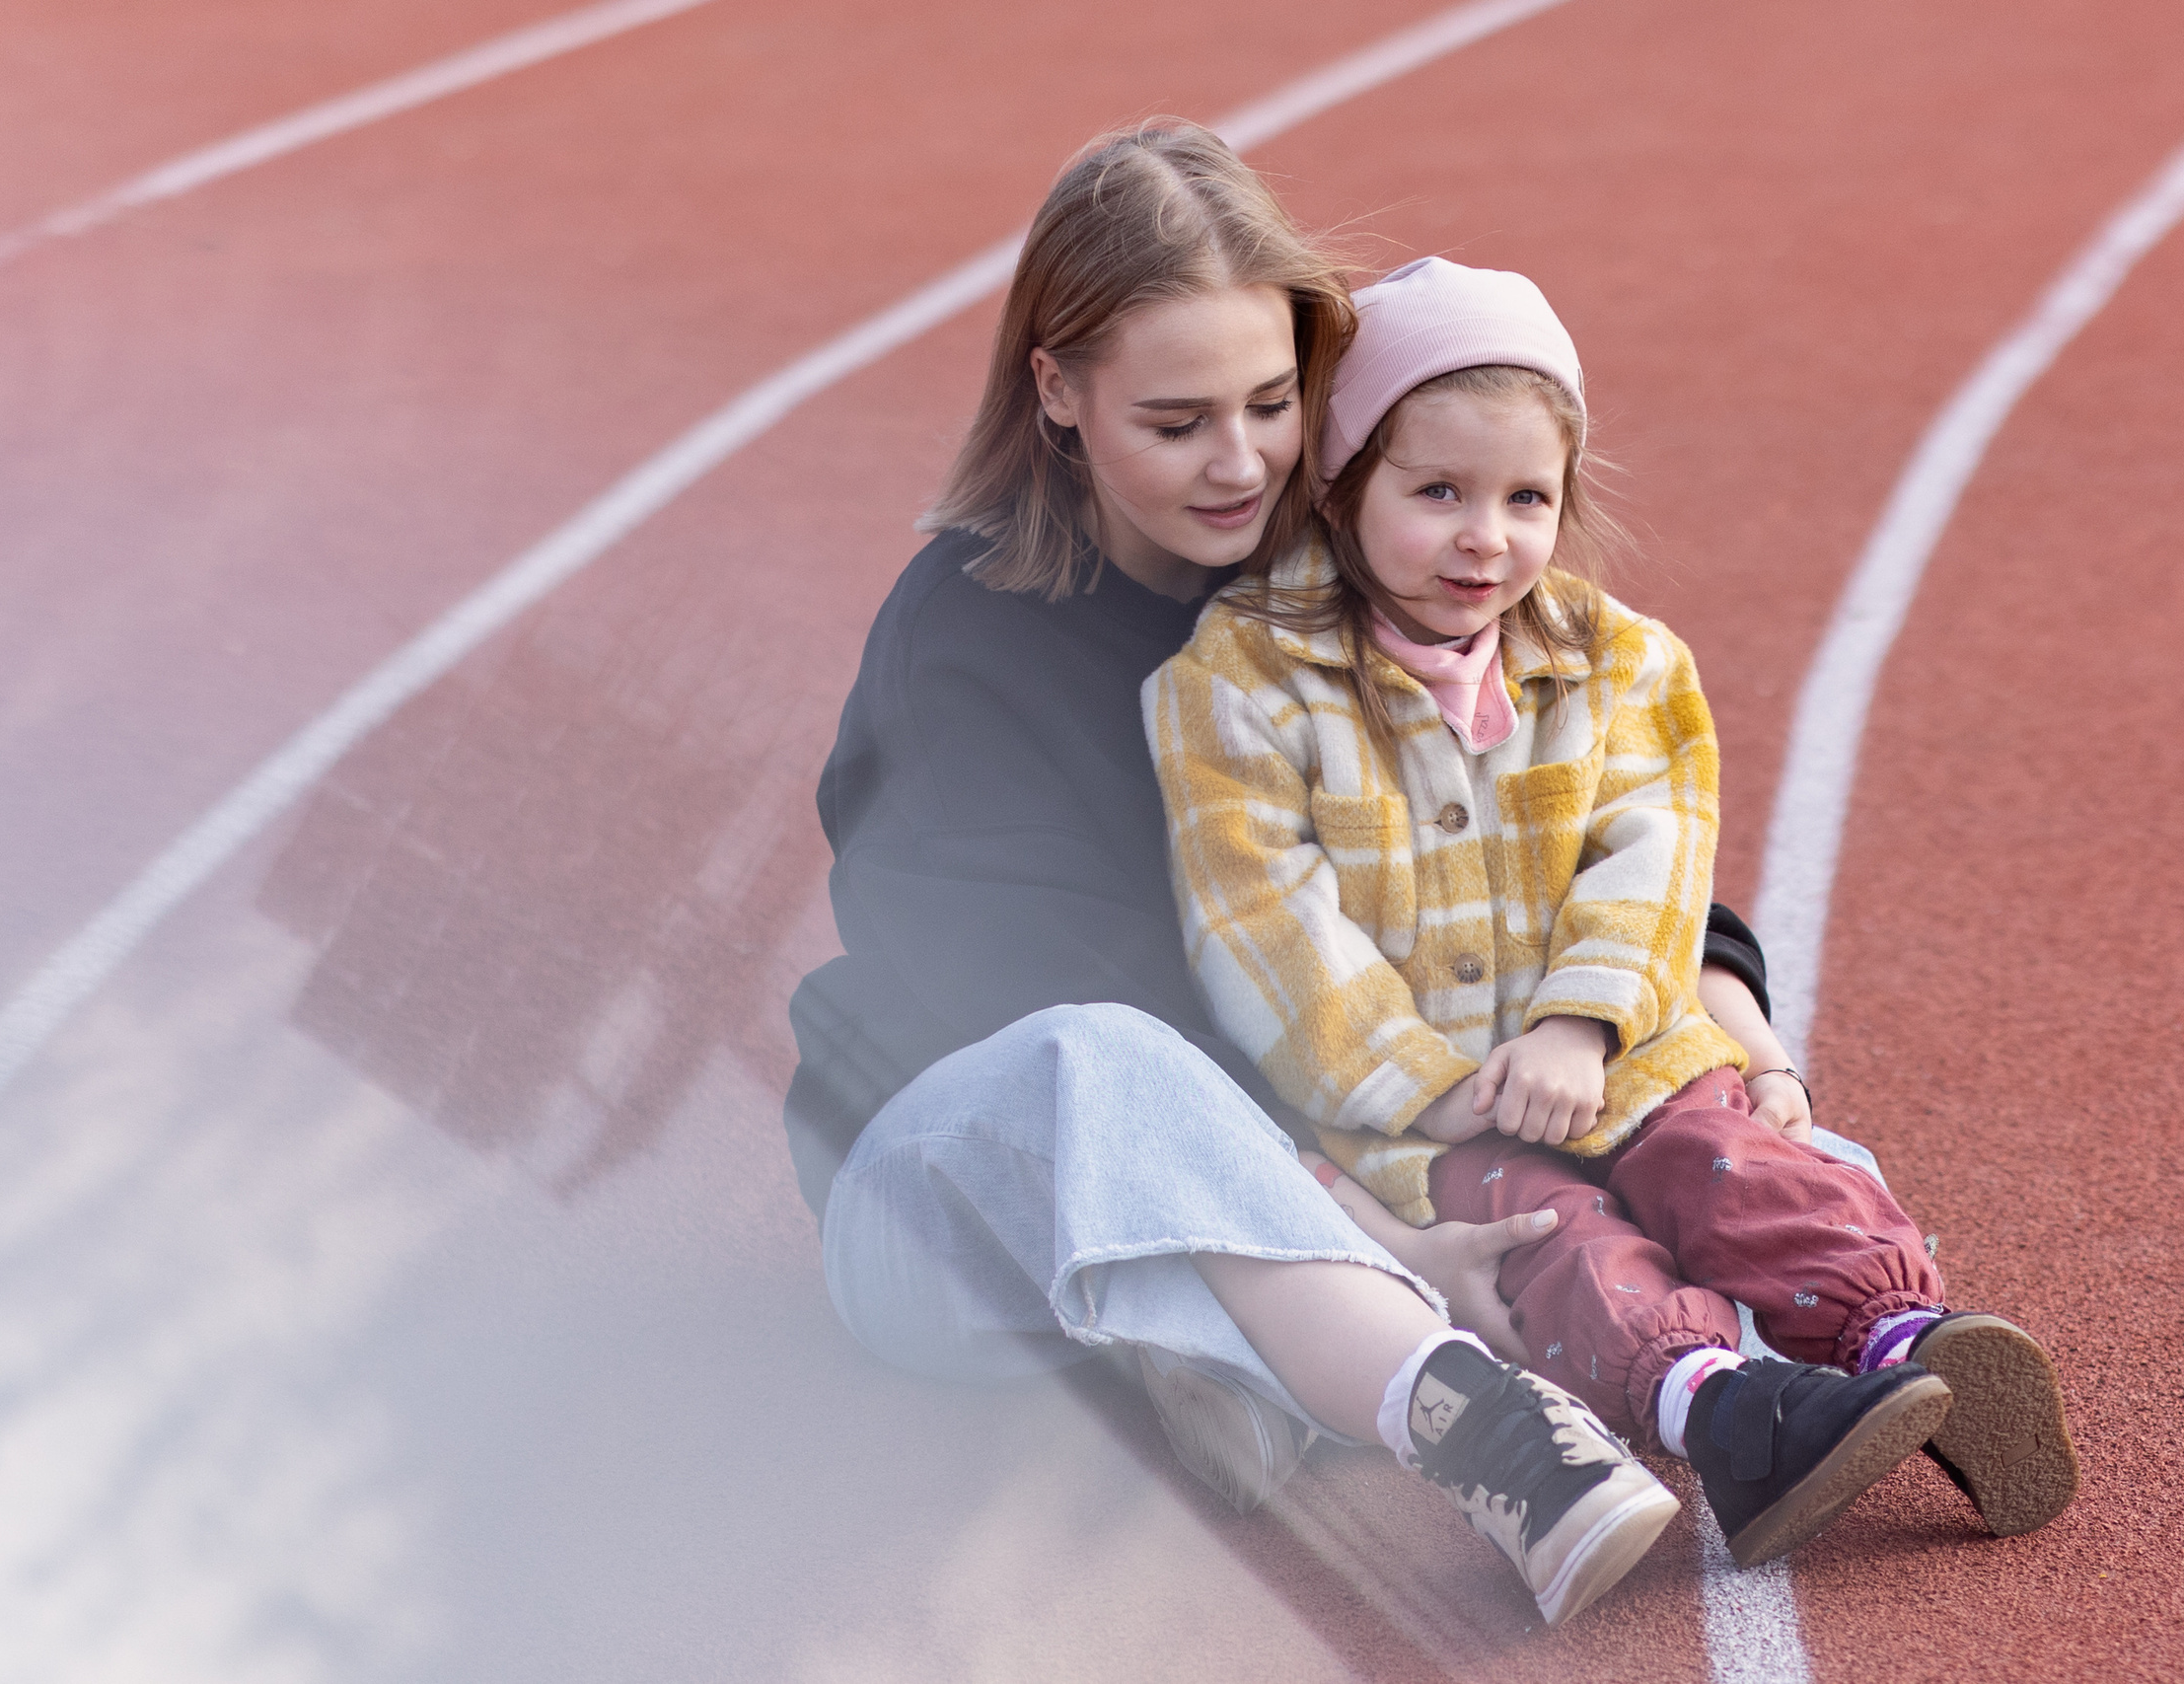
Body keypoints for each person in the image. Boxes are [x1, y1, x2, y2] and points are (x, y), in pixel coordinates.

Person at [786, 122, 1792, 1627]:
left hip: (1293, 1169)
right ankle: (1482, 1428)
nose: (1241, 462)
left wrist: (1717, 979)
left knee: (1621, 1120)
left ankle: (1246, 1380)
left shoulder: (1340, 581)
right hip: (963, 1193)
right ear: (1055, 390)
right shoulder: (964, 640)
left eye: (1272, 404)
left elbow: (1545, 809)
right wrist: (1370, 1235)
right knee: (1104, 1054)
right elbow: (1036, 1024)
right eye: (1177, 419)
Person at [1144, 256, 2081, 1569]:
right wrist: (1433, 1085)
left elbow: (1655, 859)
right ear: (1344, 486)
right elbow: (1262, 917)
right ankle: (1724, 1411)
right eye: (1437, 495)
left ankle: (1904, 1340)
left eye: (1528, 498)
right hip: (1416, 1120)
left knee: (1740, 1167)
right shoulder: (1239, 683)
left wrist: (1584, 1026)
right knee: (1551, 1240)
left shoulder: (1622, 661)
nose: (1487, 538)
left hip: (1620, 1057)